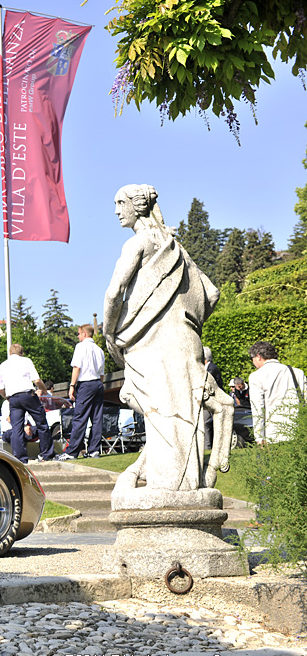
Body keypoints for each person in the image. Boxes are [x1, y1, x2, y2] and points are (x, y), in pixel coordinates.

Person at [103, 184, 233, 491]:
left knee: (159, 410)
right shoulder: (178, 249)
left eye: (121, 203)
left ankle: (168, 485)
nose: (117, 210)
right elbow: (212, 294)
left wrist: (110, 334)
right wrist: (189, 321)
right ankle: (202, 476)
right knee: (181, 406)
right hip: (187, 340)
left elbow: (113, 294)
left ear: (137, 206)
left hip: (156, 345)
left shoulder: (139, 243)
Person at [0, 344, 53, 464]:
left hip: (13, 398)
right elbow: (36, 380)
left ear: (9, 353)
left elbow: (0, 389)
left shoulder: (2, 366)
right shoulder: (26, 361)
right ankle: (46, 454)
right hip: (27, 395)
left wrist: (8, 398)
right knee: (41, 423)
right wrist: (44, 390)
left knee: (17, 428)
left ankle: (21, 459)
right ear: (21, 353)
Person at [60, 324, 105, 460]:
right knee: (97, 418)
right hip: (97, 383)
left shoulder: (80, 347)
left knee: (80, 417)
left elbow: (76, 367)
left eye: (79, 334)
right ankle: (93, 450)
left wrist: (72, 385)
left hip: (85, 384)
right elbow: (102, 373)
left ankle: (72, 452)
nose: (78, 336)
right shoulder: (99, 350)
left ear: (84, 334)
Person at [248, 341, 306, 444]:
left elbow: (258, 409)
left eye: (252, 359)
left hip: (274, 435)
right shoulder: (297, 373)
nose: (253, 363)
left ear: (258, 356)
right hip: (300, 432)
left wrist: (259, 437)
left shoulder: (256, 376)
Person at [202, 346, 224, 449]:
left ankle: (208, 446)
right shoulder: (209, 368)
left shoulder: (211, 369)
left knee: (206, 423)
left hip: (213, 400)